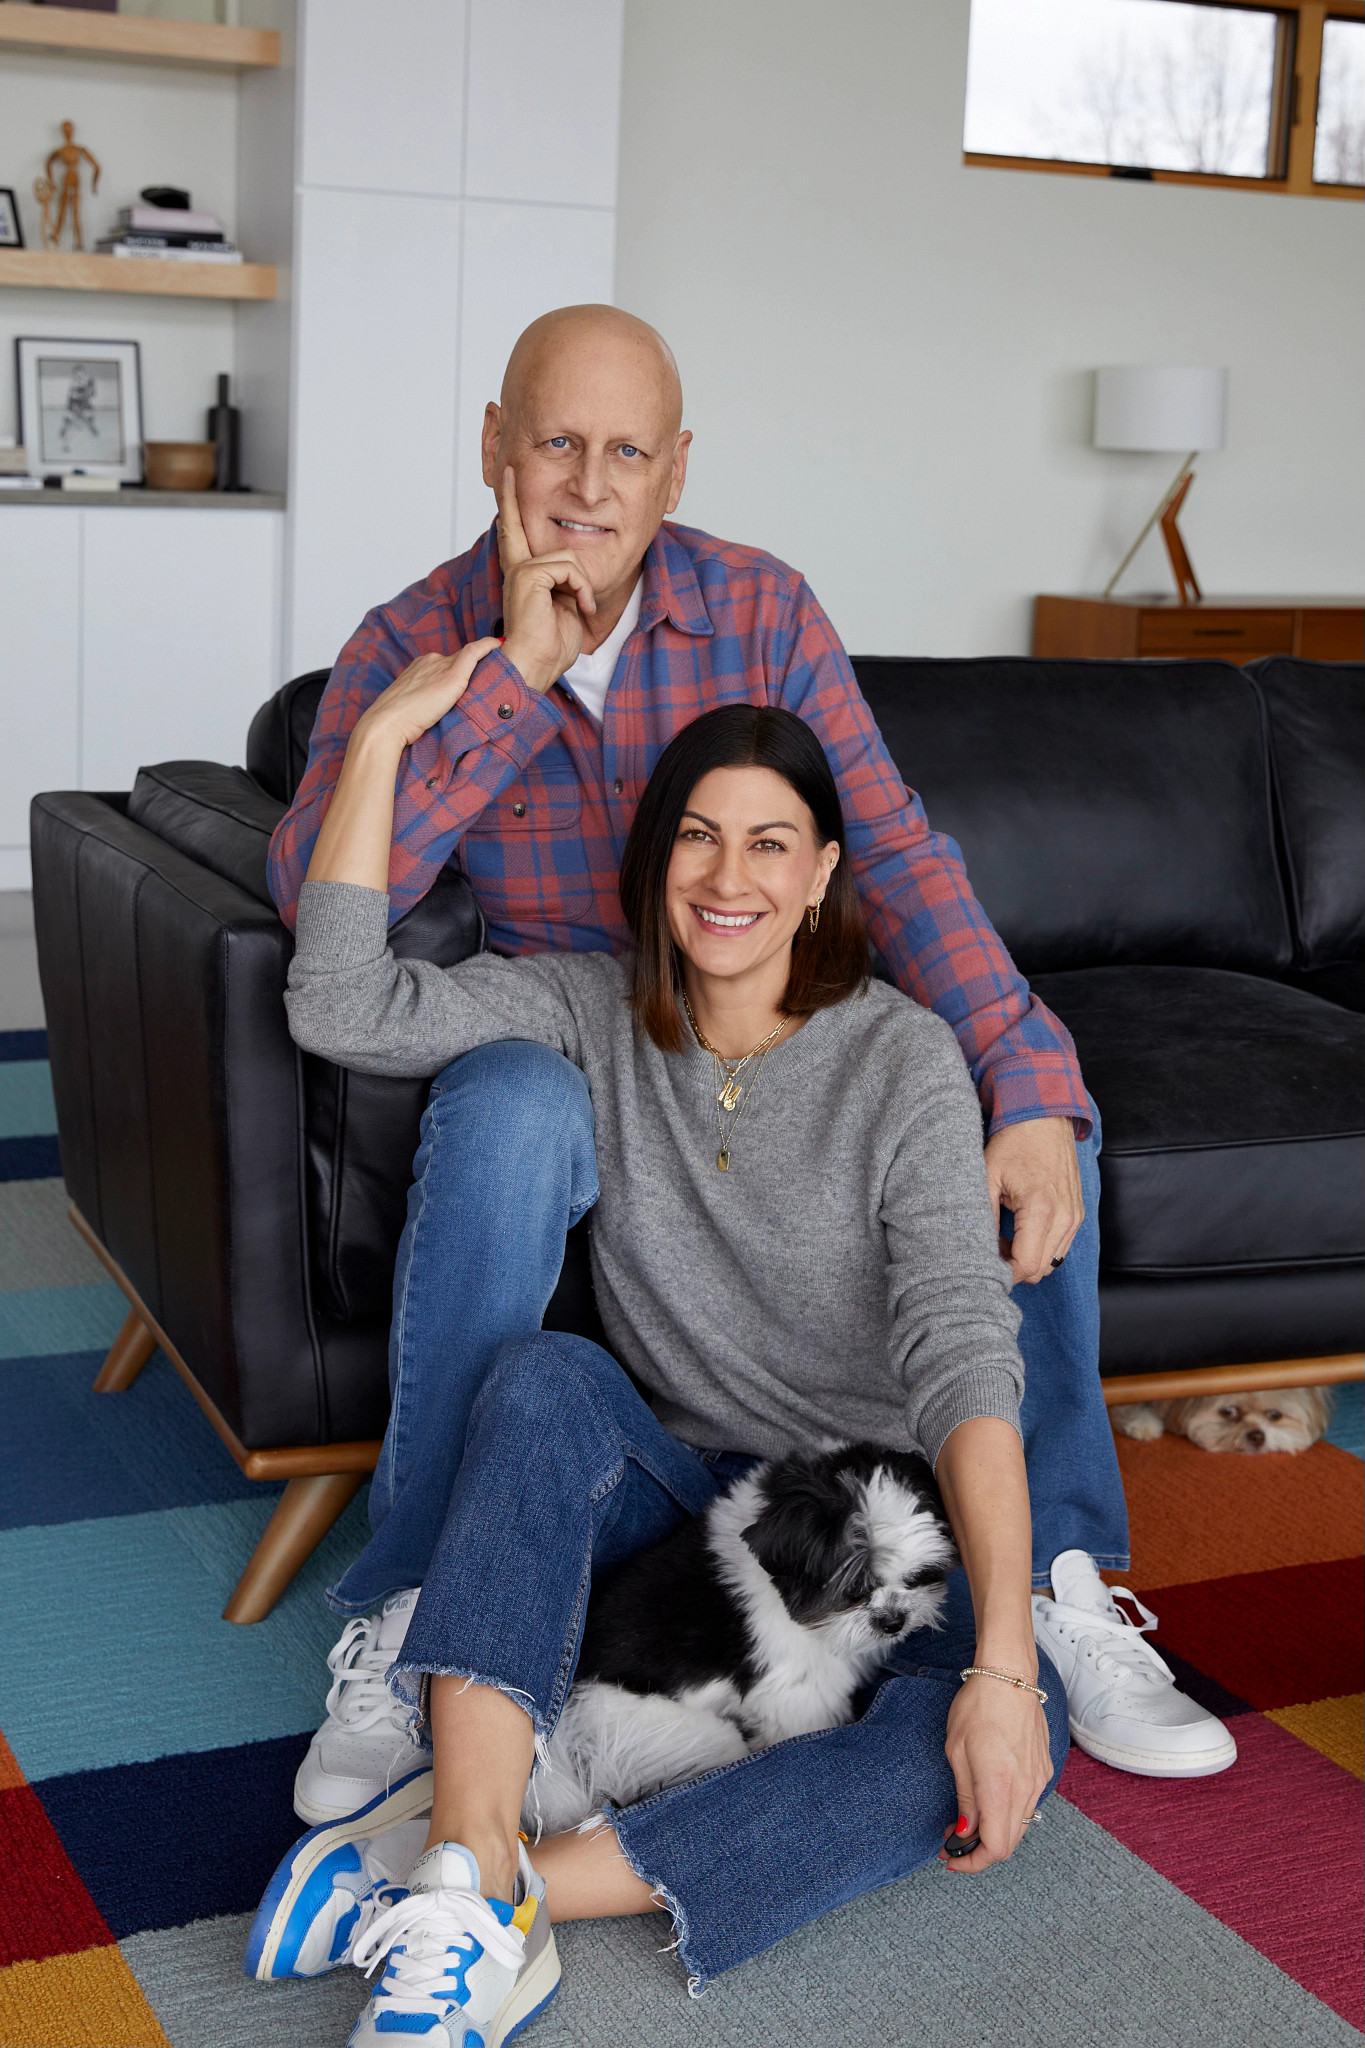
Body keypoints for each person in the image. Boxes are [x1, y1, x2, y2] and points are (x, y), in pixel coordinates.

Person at [266, 304, 1232, 1831]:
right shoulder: (407, 641)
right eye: (555, 440)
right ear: (492, 448)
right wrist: (508, 678)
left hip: (760, 1029)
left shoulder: (757, 605)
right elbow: (319, 909)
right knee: (503, 1107)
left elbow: (888, 850)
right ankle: (406, 1612)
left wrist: (1027, 1072)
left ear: (677, 467)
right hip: (571, 1031)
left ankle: (1043, 1585)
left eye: (626, 449)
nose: (588, 481)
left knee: (1019, 1101)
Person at [260, 690, 1066, 2044]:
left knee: (961, 1776)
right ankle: (460, 1846)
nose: (726, 876)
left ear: (818, 876)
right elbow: (338, 1004)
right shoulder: (586, 1005)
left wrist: (1002, 1672)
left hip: (874, 1534)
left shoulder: (903, 1058)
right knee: (535, 1379)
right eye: (695, 838)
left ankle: (471, 1899)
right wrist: (382, 747)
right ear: (654, 865)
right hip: (679, 1498)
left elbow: (964, 1361)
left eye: (767, 844)